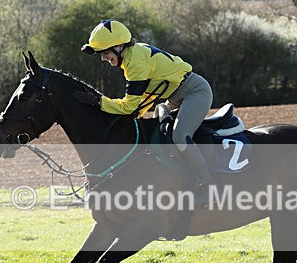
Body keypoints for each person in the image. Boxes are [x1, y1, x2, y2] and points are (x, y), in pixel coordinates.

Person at [77, 19, 215, 201]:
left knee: (179, 136)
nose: (103, 58)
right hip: (175, 95)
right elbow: (145, 100)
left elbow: (129, 106)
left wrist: (100, 102)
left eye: (104, 52)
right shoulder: (132, 56)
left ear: (119, 46)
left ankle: (209, 185)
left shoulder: (135, 63)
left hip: (195, 92)